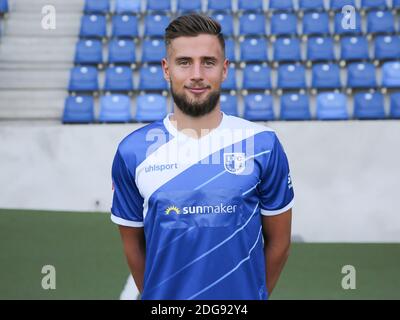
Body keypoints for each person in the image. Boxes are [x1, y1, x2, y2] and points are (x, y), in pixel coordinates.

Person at [111, 14, 294, 300]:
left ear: (224, 69)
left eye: (208, 62)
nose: (197, 73)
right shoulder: (132, 152)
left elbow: (279, 243)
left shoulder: (262, 144)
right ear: (166, 69)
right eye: (184, 62)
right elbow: (133, 247)